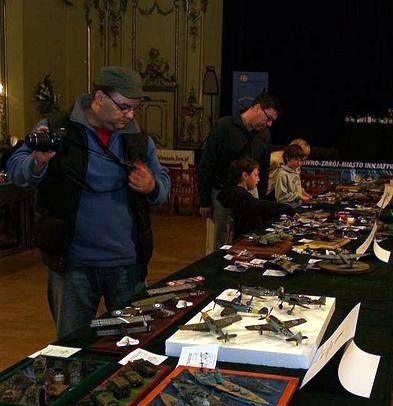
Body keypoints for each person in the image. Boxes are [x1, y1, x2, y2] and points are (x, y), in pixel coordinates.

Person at [6, 66, 170, 338]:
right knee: (72, 346)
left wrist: (152, 185)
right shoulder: (56, 127)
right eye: (124, 107)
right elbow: (16, 170)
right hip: (73, 265)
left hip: (127, 265)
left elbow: (162, 185)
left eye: (134, 108)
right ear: (99, 97)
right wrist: (37, 162)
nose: (130, 115)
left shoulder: (138, 138)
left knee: (134, 344)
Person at [198, 92, 281, 245]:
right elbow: (206, 163)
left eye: (272, 121)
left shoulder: (265, 135)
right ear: (257, 108)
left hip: (250, 196)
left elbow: (263, 170)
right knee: (219, 243)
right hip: (221, 194)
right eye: (268, 118)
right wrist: (204, 200)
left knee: (248, 241)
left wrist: (260, 202)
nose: (269, 124)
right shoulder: (224, 126)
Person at [217, 157, 294, 237]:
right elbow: (258, 205)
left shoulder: (234, 192)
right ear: (245, 175)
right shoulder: (240, 195)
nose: (258, 179)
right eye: (255, 175)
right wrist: (287, 208)